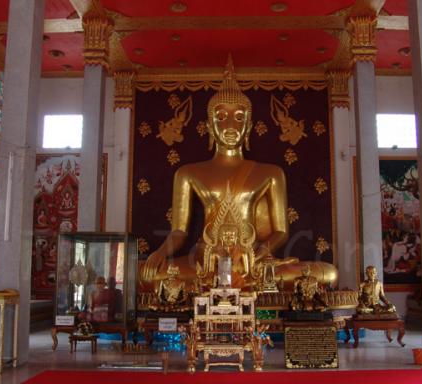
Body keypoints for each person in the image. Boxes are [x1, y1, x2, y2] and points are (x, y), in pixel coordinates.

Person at [142, 56, 337, 289]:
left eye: (239, 117)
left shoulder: (271, 173)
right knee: (142, 273)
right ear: (210, 127)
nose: (230, 126)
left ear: (249, 127)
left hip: (252, 260)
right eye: (221, 117)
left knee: (327, 272)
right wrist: (160, 253)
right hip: (205, 261)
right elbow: (179, 231)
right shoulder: (188, 173)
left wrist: (256, 255)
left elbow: (281, 232)